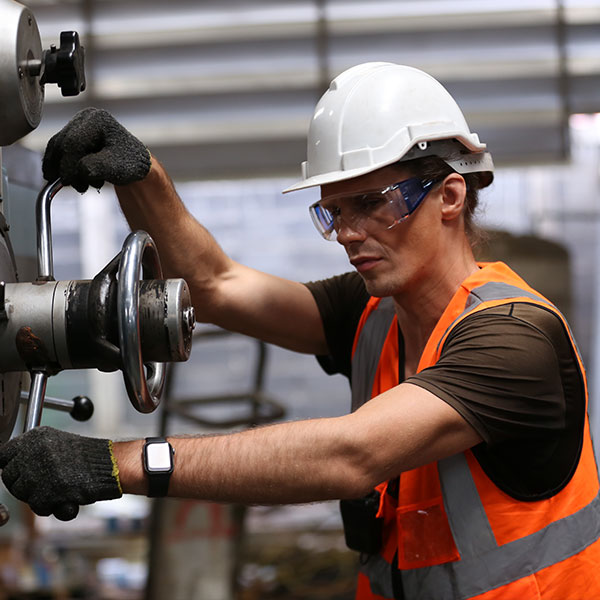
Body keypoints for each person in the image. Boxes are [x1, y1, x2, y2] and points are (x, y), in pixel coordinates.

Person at [1, 62, 599, 599]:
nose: (346, 233)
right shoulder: (375, 311)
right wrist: (143, 177)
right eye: (333, 211)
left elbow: (352, 454)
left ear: (449, 194)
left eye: (371, 202)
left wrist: (121, 463)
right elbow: (215, 288)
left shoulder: (514, 338)